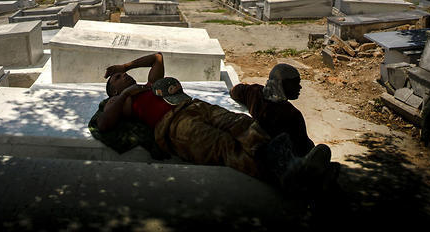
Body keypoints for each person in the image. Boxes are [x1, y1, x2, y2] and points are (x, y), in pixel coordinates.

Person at [101, 52, 334, 193]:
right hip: (174, 126)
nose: (124, 77)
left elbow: (157, 58)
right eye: (118, 78)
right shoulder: (122, 102)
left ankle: (292, 160)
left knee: (242, 124)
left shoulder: (151, 85)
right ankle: (291, 176)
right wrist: (124, 94)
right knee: (224, 146)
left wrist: (126, 66)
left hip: (195, 106)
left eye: (122, 74)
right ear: (113, 91)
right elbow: (104, 124)